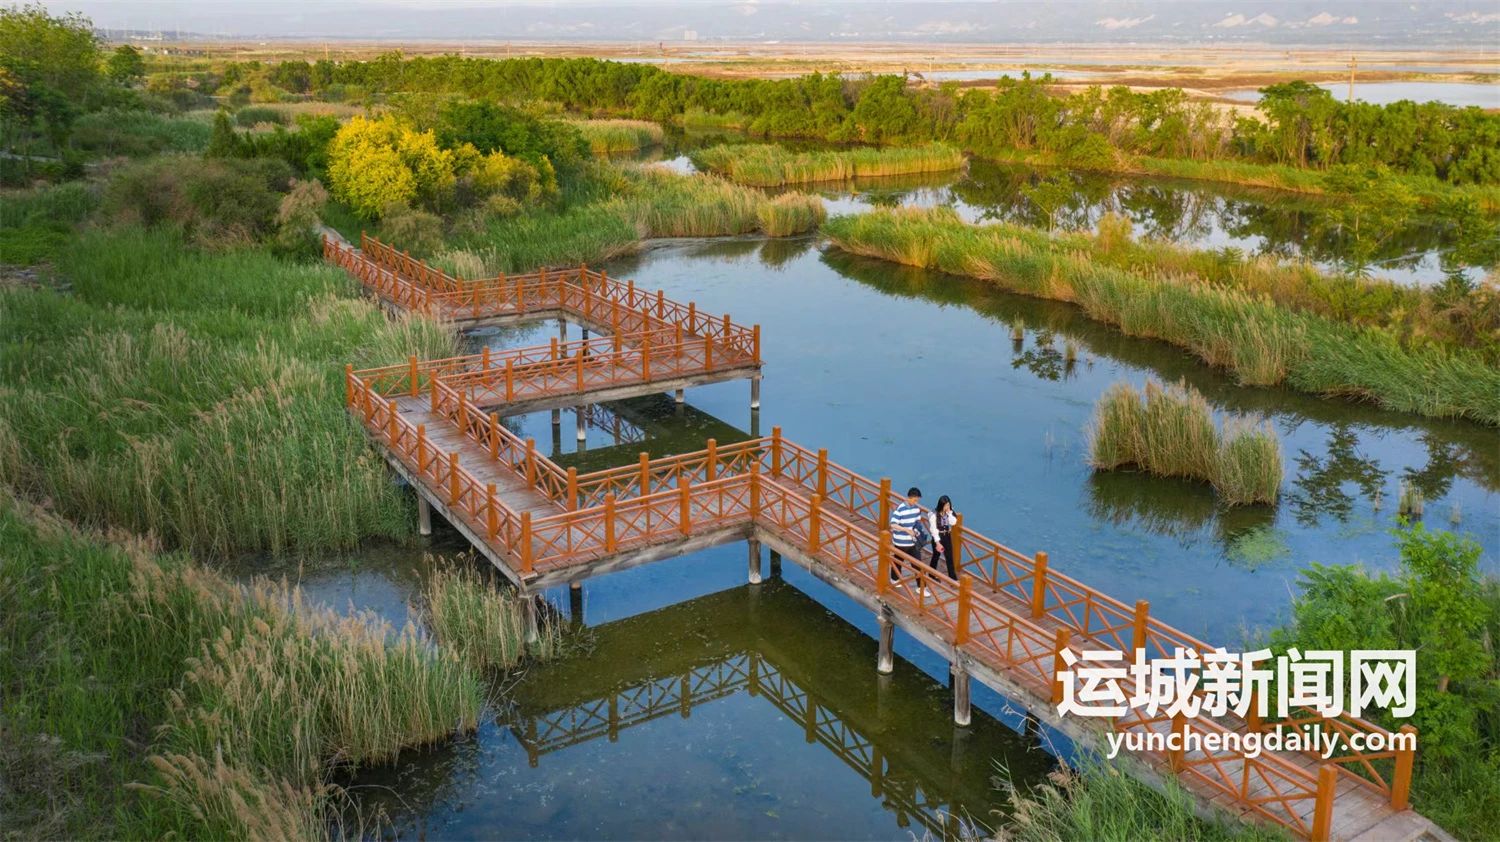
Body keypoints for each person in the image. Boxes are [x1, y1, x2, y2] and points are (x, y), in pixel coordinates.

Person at [888, 486, 928, 586]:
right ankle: (894, 579)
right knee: (898, 561)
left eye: (917, 500)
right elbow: (893, 524)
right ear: (909, 497)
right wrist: (906, 530)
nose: (916, 502)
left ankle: (921, 587)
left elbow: (917, 522)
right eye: (915, 500)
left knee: (917, 564)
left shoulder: (916, 509)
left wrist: (916, 531)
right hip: (900, 542)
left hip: (912, 541)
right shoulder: (900, 509)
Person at [931, 495, 959, 579]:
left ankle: (953, 578)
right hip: (938, 537)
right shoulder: (933, 514)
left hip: (947, 536)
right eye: (945, 505)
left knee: (949, 557)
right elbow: (933, 529)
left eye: (948, 505)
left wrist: (949, 513)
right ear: (941, 505)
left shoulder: (950, 512)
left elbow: (953, 523)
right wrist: (937, 543)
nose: (947, 507)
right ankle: (931, 575)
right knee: (936, 556)